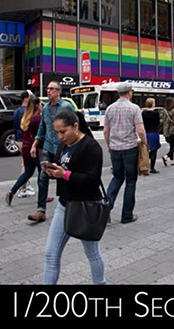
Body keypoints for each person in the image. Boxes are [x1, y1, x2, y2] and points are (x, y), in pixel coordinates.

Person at [42, 109, 106, 284]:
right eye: (57, 132)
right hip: (65, 204)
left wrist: (65, 175)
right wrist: (51, 171)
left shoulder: (91, 146)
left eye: (63, 131)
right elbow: (60, 166)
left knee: (92, 253)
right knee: (51, 254)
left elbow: (92, 180)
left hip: (86, 206)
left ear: (75, 126)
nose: (60, 136)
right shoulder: (64, 145)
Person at [29, 81, 74, 222]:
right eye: (47, 89)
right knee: (43, 176)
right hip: (48, 147)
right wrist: (35, 144)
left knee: (65, 176)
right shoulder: (45, 109)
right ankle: (40, 210)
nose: (48, 91)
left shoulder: (66, 107)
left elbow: (75, 125)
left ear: (59, 91)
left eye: (52, 89)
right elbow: (42, 128)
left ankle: (68, 207)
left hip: (64, 146)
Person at [104, 82, 147, 224]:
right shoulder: (134, 108)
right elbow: (140, 130)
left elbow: (106, 131)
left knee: (117, 178)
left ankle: (106, 207)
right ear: (129, 92)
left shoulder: (110, 109)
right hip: (130, 148)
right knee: (130, 181)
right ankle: (127, 215)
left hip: (115, 148)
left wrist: (109, 145)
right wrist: (145, 143)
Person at [5, 95, 42, 205]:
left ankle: (12, 190)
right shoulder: (37, 119)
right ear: (36, 106)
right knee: (41, 174)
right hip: (35, 148)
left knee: (28, 172)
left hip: (25, 147)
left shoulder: (25, 118)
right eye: (40, 104)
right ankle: (42, 197)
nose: (41, 106)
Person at [13, 90, 36, 198]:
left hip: (18, 139)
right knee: (26, 165)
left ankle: (26, 185)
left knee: (25, 163)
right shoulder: (27, 111)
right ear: (26, 98)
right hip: (25, 140)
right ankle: (23, 188)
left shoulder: (16, 111)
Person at [142, 98, 161, 174]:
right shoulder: (156, 113)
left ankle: (145, 166)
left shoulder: (144, 113)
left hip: (146, 132)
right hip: (154, 132)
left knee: (145, 150)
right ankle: (152, 167)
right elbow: (158, 123)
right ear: (153, 104)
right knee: (154, 151)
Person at [161, 97, 174, 166]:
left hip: (166, 131)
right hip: (173, 131)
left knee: (171, 146)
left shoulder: (164, 111)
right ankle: (166, 157)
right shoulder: (173, 111)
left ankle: (172, 161)